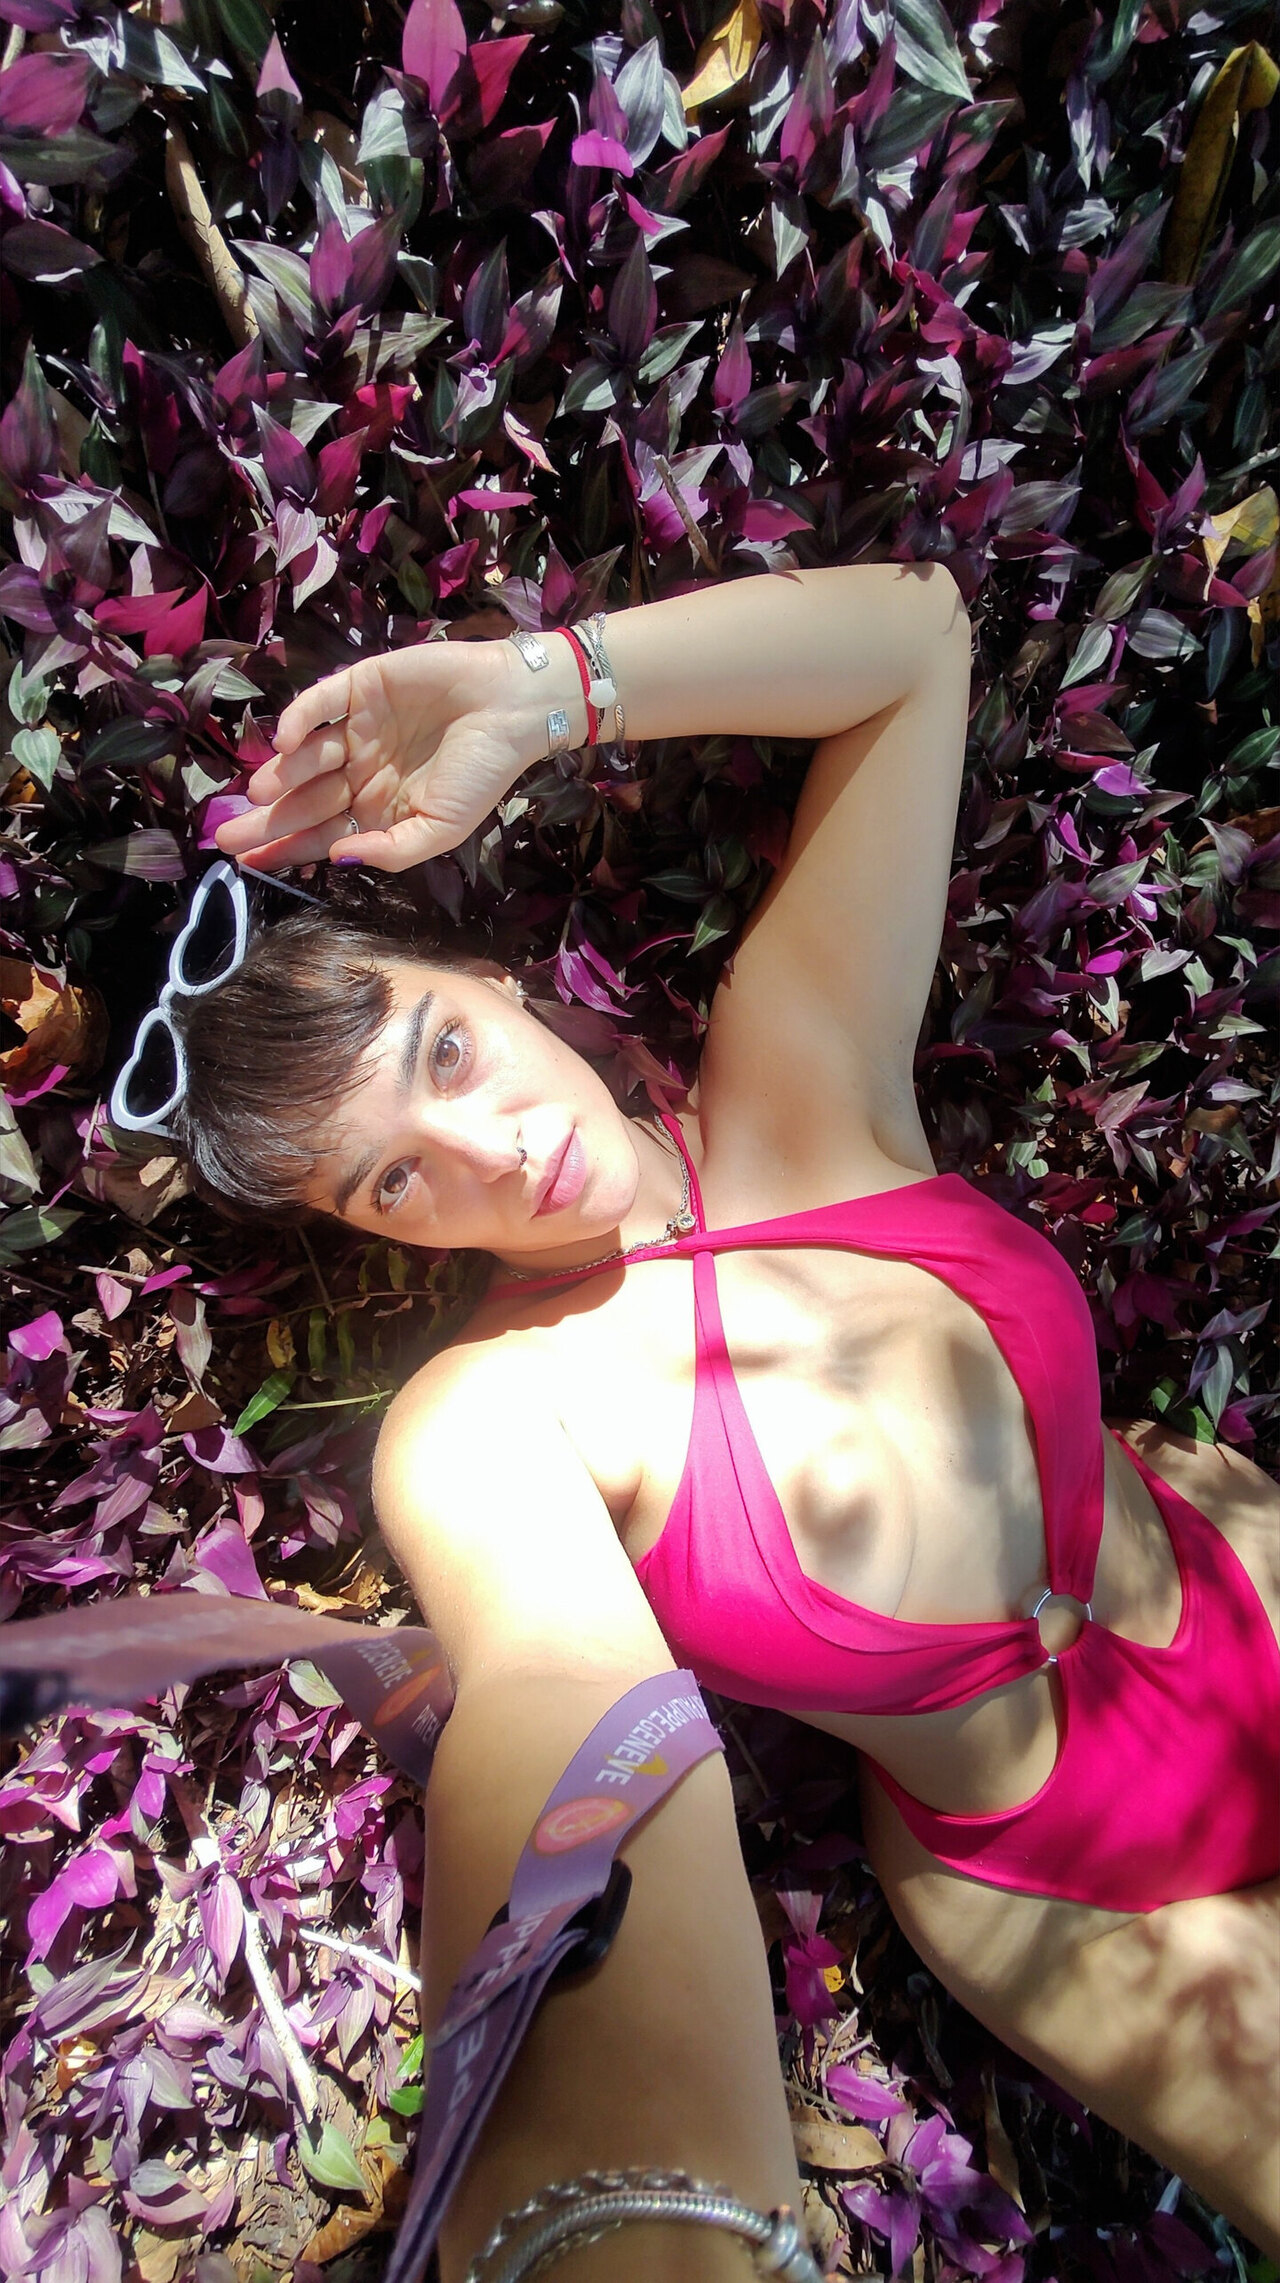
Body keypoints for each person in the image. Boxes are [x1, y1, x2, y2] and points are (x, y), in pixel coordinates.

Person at [116, 563, 1278, 2259]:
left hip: (1235, 1567)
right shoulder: (493, 1414)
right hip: (1065, 1884)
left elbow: (915, 646)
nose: (490, 1153)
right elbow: (551, 1713)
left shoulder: (802, 1081)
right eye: (394, 1180)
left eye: (445, 1057)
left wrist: (534, 692)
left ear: (496, 983)